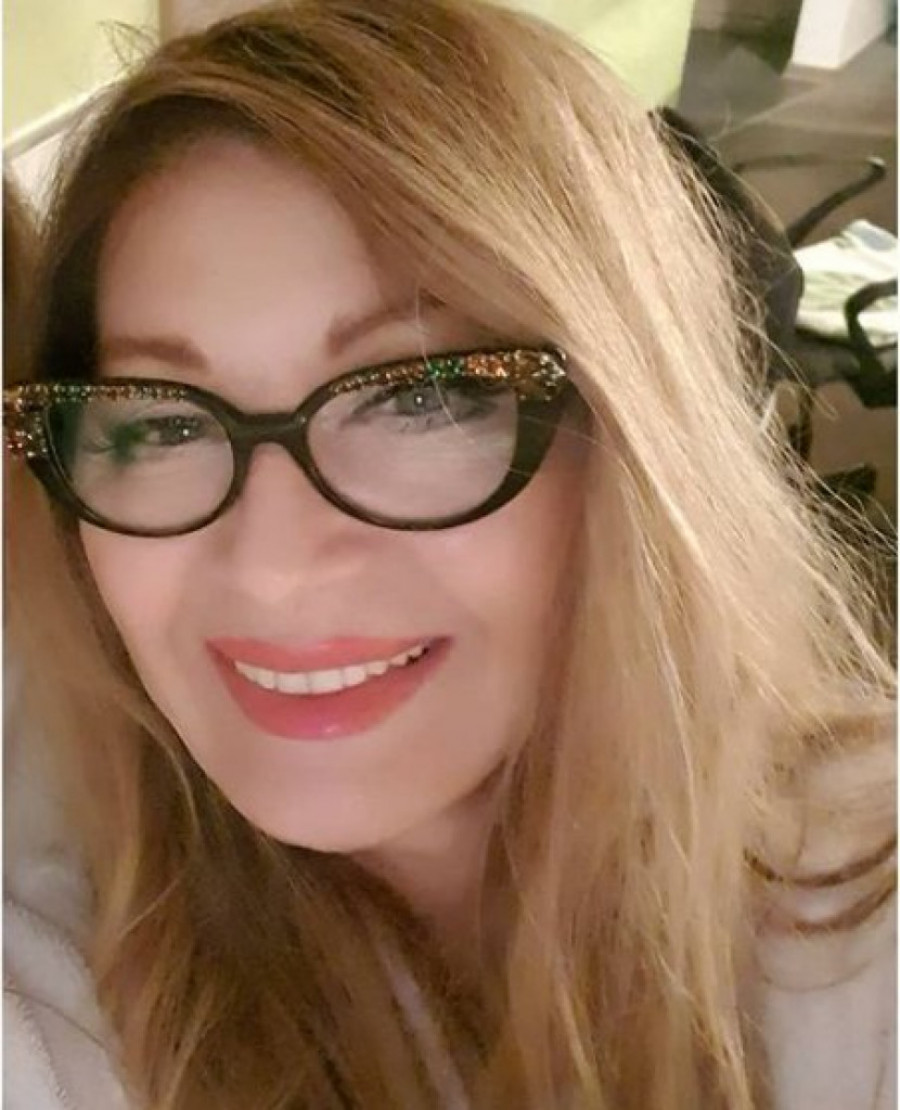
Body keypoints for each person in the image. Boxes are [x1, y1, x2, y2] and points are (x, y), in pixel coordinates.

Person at [3, 1, 895, 1107]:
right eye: (161, 424)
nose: (274, 566)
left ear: (634, 434)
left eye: (419, 399)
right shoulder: (72, 995)